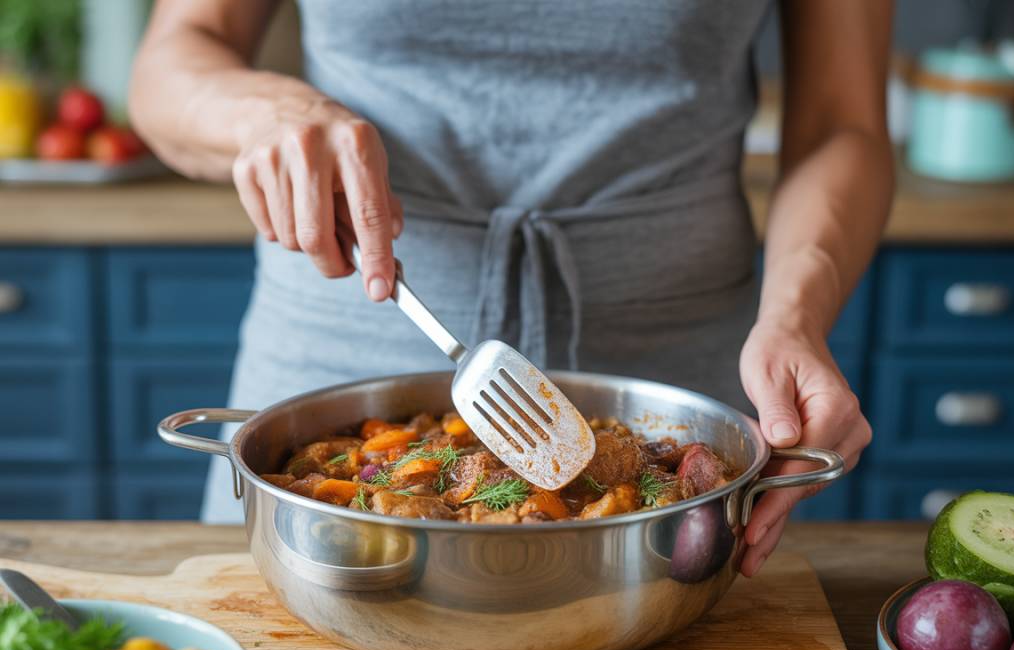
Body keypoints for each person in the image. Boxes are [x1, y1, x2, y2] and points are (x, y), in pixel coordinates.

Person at [130, 0, 892, 577]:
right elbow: (173, 61)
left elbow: (842, 119)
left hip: (677, 377)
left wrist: (796, 317)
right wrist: (268, 114)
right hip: (346, 342)